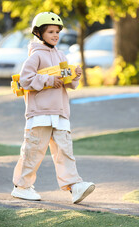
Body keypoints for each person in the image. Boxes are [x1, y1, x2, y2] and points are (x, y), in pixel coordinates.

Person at [11, 12, 95, 204]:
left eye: (57, 31)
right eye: (51, 31)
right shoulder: (35, 56)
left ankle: (74, 186)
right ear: (39, 34)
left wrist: (75, 76)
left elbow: (67, 82)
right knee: (33, 151)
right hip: (39, 114)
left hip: (60, 114)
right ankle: (21, 187)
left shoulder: (61, 55)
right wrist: (49, 80)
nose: (55, 35)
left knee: (65, 151)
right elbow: (25, 80)